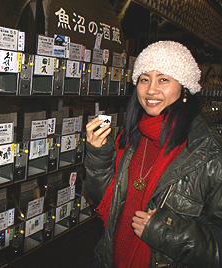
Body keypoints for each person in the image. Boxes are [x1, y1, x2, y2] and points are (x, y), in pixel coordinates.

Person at [84, 40, 222, 268]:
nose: (151, 90)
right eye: (144, 79)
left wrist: (165, 230)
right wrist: (99, 154)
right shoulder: (130, 136)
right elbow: (107, 199)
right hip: (114, 258)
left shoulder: (208, 153)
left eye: (164, 79)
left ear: (184, 86)